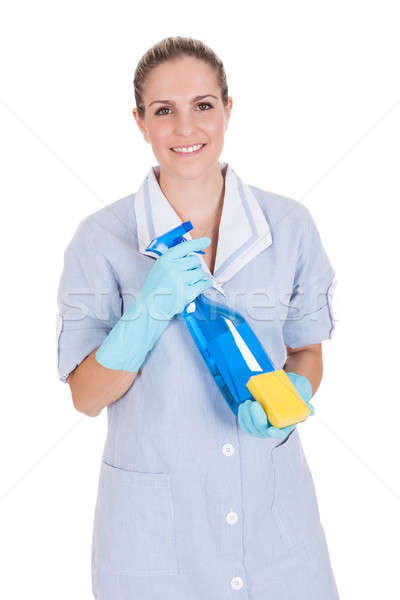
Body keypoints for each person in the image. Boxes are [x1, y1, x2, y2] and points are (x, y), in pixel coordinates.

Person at [56, 36, 339, 599]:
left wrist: (295, 392)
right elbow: (86, 396)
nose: (186, 128)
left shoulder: (290, 225)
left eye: (203, 105)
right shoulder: (100, 240)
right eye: (164, 111)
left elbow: (307, 349)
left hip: (276, 529)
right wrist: (147, 312)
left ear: (228, 110)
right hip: (154, 538)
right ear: (140, 122)